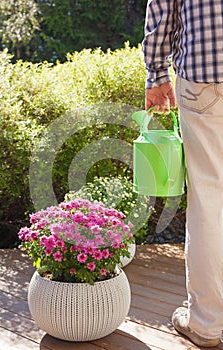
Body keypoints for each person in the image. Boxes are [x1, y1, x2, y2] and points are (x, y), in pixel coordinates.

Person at [142, 0, 223, 348]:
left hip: (206, 77)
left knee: (208, 199)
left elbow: (162, 10)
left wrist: (157, 74)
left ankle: (206, 324)